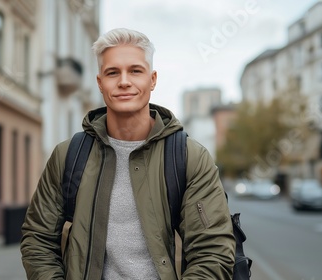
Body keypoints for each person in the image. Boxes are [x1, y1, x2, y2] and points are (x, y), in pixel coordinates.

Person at [21, 28, 235, 280]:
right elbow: (38, 240)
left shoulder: (189, 157)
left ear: (152, 79)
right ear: (100, 82)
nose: (124, 81)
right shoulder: (68, 155)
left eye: (135, 70)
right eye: (113, 72)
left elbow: (212, 251)